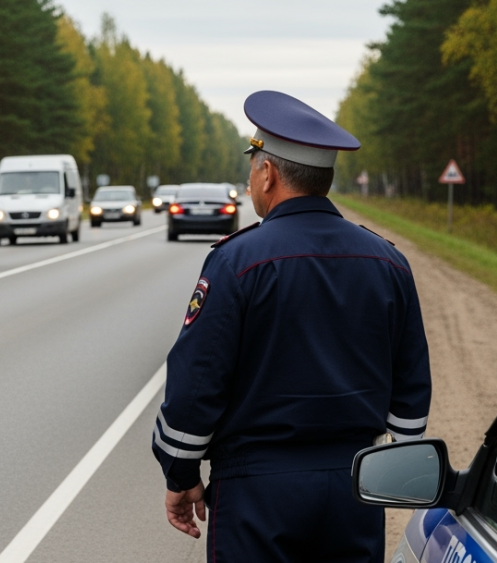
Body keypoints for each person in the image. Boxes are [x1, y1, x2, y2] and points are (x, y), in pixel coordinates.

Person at [153, 90, 432, 563]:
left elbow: (197, 383)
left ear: (269, 172)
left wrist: (180, 475)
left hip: (255, 493)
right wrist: (397, 468)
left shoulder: (236, 262)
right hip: (355, 488)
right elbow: (411, 387)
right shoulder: (388, 261)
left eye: (253, 164)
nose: (249, 178)